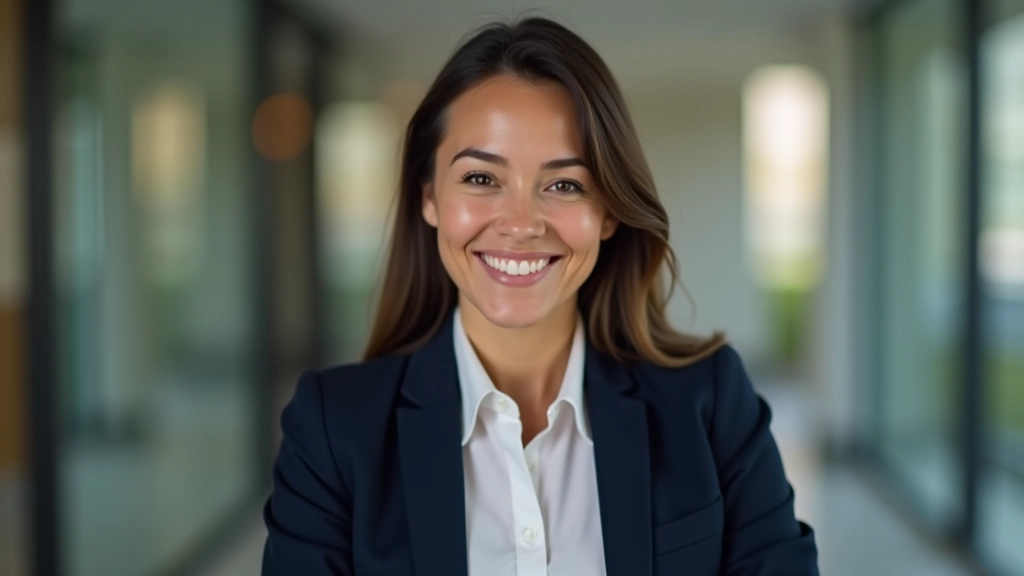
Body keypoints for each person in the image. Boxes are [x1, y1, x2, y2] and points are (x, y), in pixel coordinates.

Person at [262, 16, 818, 576]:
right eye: (481, 178)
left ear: (607, 213)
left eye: (564, 185)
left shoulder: (711, 402)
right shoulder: (334, 430)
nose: (522, 224)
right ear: (428, 196)